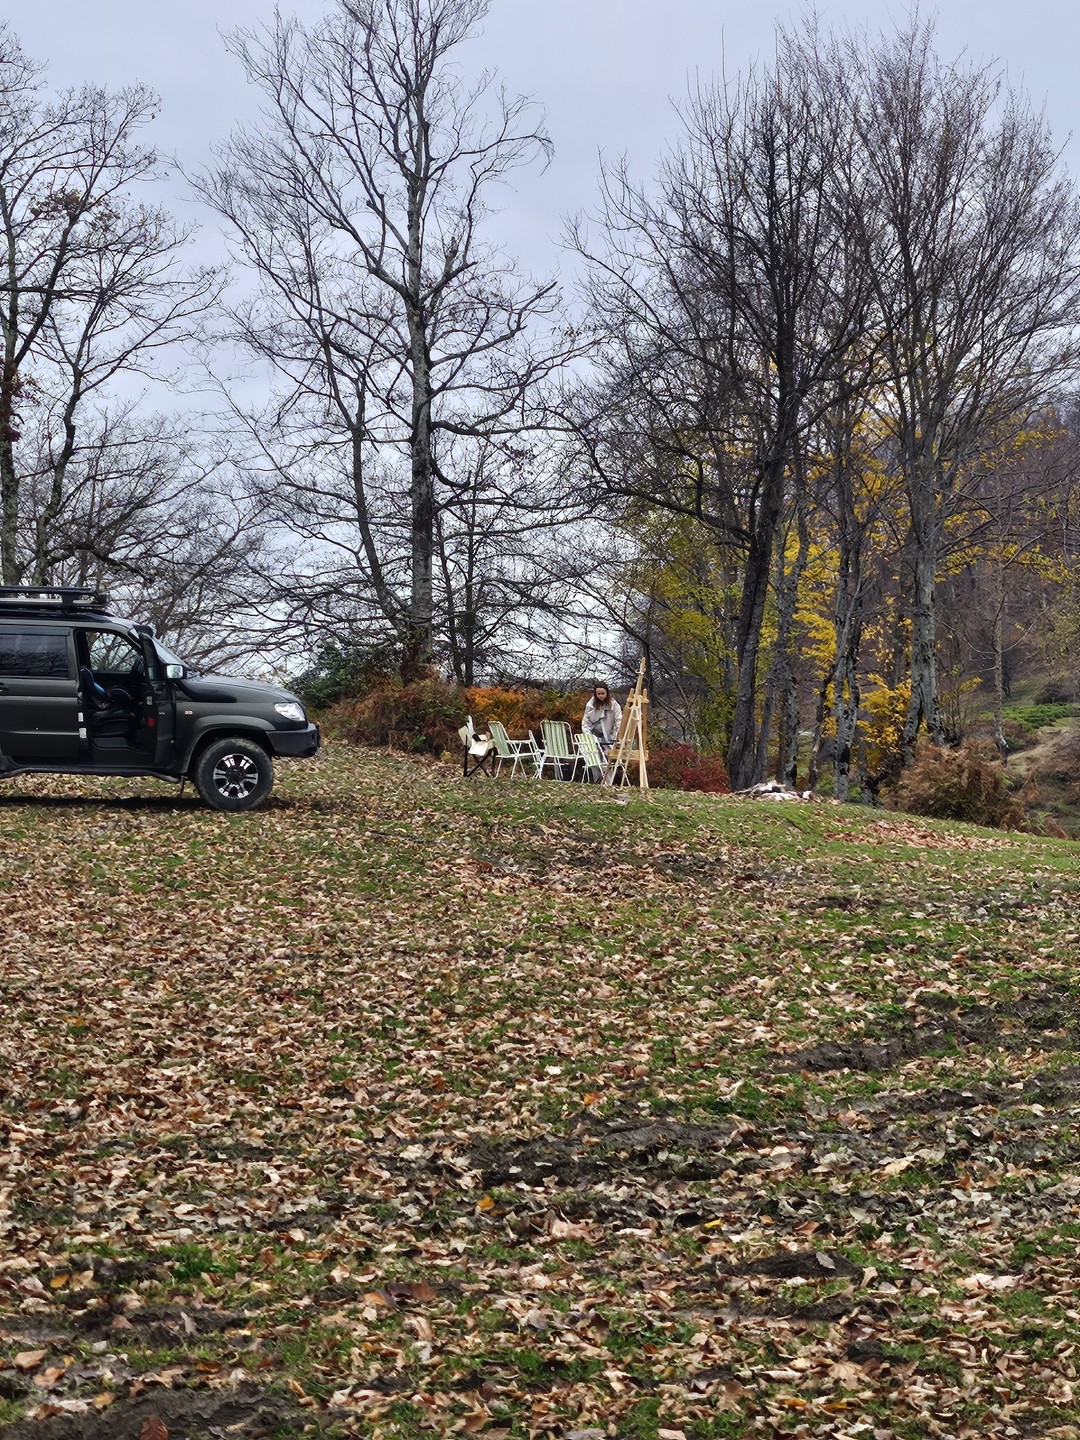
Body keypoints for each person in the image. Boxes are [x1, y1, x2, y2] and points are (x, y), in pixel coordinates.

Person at [582, 683, 622, 758]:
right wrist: (589, 738)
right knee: (594, 756)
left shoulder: (614, 705)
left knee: (611, 755)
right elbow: (586, 723)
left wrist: (616, 736)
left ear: (607, 693)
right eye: (598, 694)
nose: (601, 696)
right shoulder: (590, 706)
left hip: (610, 736)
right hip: (595, 736)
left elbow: (619, 721)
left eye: (603, 693)